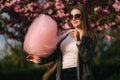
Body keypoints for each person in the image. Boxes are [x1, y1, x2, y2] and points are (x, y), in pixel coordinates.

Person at [26, 4, 96, 80]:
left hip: (80, 74)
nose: (73, 19)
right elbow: (56, 55)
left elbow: (87, 58)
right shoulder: (65, 34)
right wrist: (40, 60)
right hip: (63, 73)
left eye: (77, 16)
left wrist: (78, 42)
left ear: (83, 17)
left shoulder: (89, 36)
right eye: (71, 16)